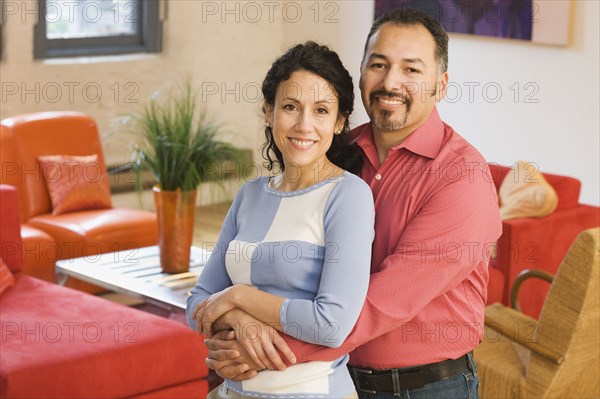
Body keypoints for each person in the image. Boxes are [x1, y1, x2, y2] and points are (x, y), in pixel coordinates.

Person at [204, 7, 503, 399]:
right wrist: (237, 317)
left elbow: (381, 305)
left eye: (411, 70)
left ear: (441, 85)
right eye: (378, 65)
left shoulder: (461, 177)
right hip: (332, 379)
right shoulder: (336, 151)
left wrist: (262, 355)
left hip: (423, 386)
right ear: (361, 71)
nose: (390, 81)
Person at [186, 41, 375, 398]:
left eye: (321, 111)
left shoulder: (349, 196)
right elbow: (198, 301)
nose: (304, 125)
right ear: (269, 112)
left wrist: (238, 295)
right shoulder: (250, 194)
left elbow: (332, 324)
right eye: (290, 107)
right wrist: (239, 320)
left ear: (339, 123)